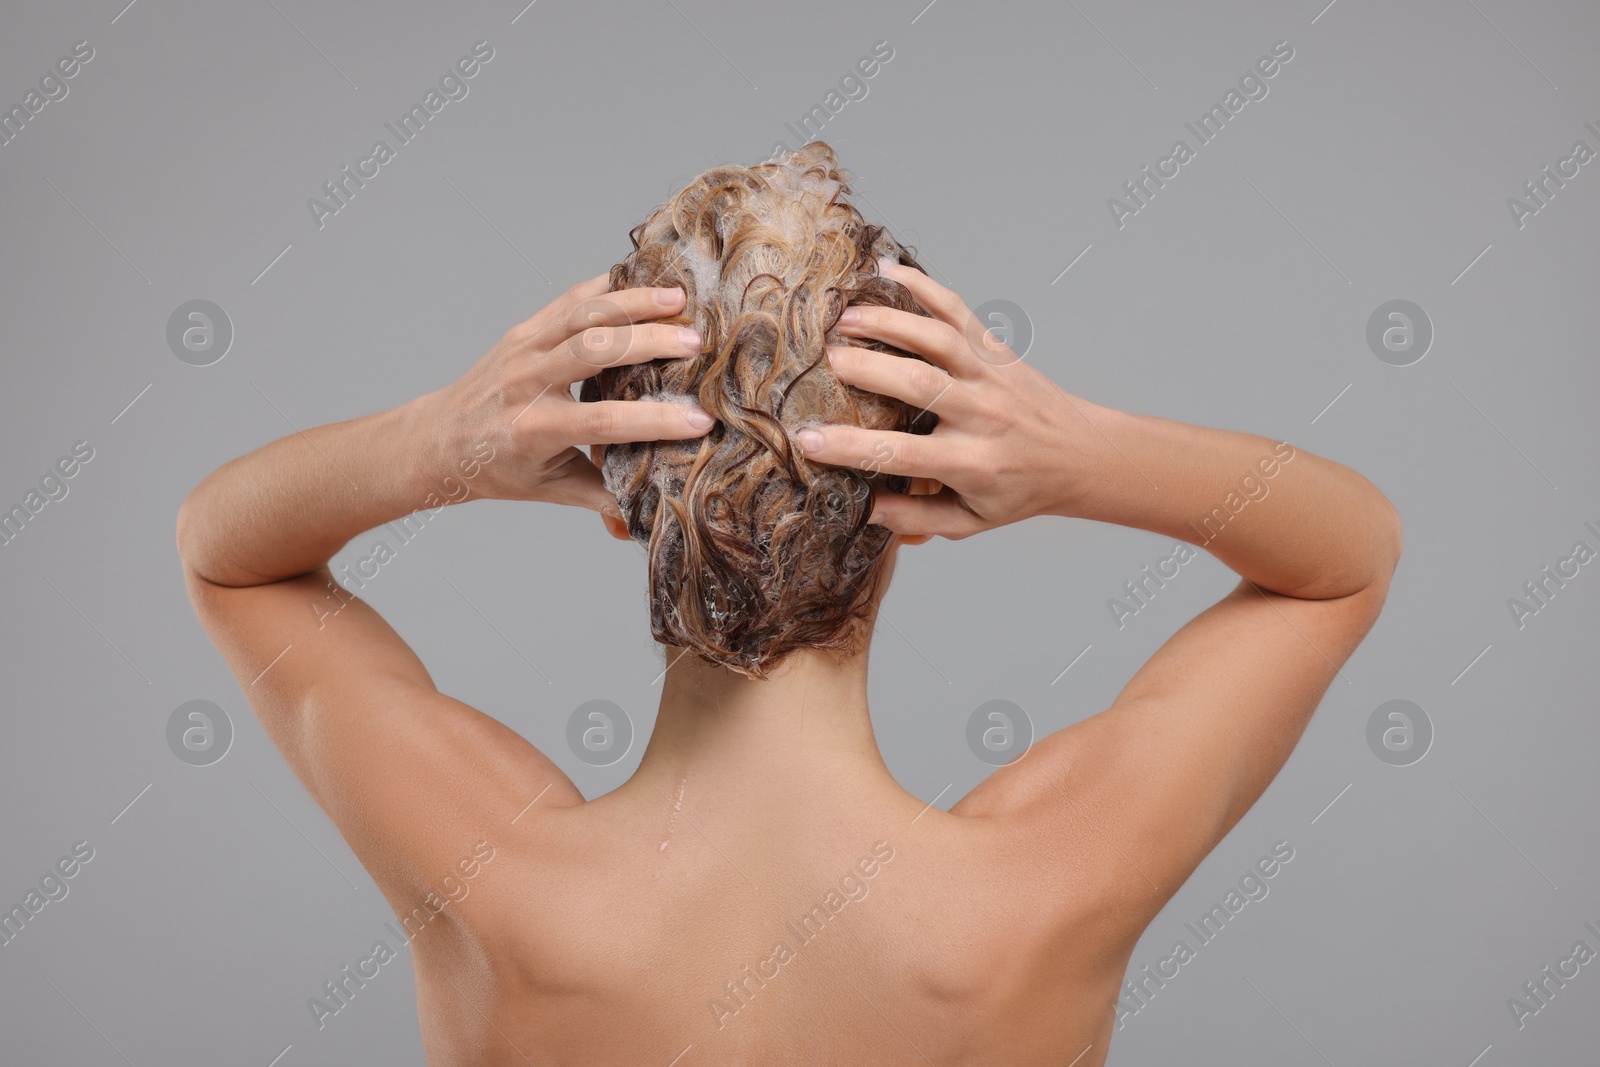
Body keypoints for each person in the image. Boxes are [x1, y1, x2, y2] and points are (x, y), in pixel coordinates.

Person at [178, 143, 1401, 1066]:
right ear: (928, 491)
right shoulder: (1040, 889)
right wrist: (1074, 450)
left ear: (620, 498)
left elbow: (225, 552)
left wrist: (436, 442)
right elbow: (1346, 555)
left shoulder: (503, 883)